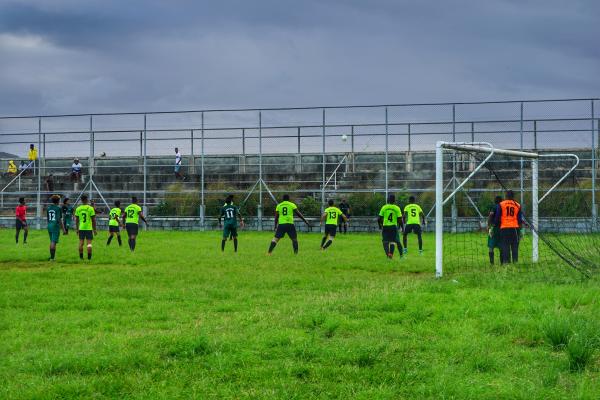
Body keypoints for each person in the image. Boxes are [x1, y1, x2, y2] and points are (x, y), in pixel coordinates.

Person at [494, 190, 524, 264]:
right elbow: (519, 219)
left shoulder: (501, 204)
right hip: (514, 228)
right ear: (513, 196)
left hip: (504, 228)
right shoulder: (517, 205)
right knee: (514, 246)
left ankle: (506, 262)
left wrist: (495, 225)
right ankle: (515, 262)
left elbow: (497, 217)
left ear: (506, 196)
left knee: (505, 245)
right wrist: (521, 229)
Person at [378, 194, 404, 259]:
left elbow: (379, 219)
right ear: (394, 200)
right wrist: (402, 228)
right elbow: (400, 220)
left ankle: (388, 255)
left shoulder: (384, 207)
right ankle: (397, 255)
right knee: (395, 241)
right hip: (393, 227)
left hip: (386, 226)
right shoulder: (397, 208)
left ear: (388, 200)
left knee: (385, 242)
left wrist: (380, 226)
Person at [75, 194, 97, 260]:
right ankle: (89, 258)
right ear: (87, 200)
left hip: (81, 228)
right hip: (88, 228)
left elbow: (76, 220)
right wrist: (94, 229)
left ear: (81, 200)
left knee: (81, 243)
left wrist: (77, 229)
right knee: (89, 244)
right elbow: (93, 220)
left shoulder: (78, 208)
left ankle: (81, 258)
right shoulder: (90, 208)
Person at [47, 195, 65, 261]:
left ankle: (51, 257)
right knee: (53, 242)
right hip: (55, 226)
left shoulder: (48, 208)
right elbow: (59, 219)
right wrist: (63, 229)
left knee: (51, 241)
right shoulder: (58, 208)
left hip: (49, 225)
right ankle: (52, 258)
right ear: (58, 201)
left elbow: (48, 218)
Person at [487, 196, 503, 265]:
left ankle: (492, 263)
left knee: (491, 245)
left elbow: (490, 215)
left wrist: (488, 225)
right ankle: (502, 262)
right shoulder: (502, 207)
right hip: (502, 228)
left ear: (495, 201)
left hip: (494, 227)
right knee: (501, 246)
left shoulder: (494, 207)